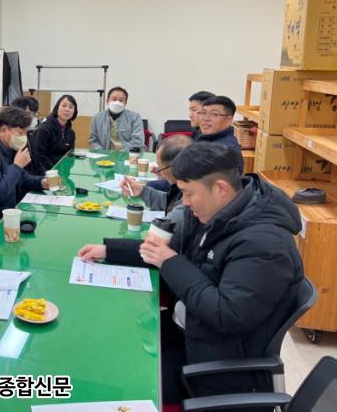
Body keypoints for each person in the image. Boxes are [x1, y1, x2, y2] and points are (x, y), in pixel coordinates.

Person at [79, 143, 304, 401]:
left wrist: (171, 262)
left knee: (115, 382)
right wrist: (109, 250)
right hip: (189, 333)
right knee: (110, 341)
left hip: (214, 370)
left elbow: (227, 314)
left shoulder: (264, 244)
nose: (184, 203)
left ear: (220, 188)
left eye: (188, 193)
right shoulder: (218, 213)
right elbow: (167, 249)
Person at [0, 106, 48, 229]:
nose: (24, 137)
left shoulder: (9, 146)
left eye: (26, 132)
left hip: (9, 214)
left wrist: (41, 182)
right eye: (20, 133)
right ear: (3, 130)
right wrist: (17, 166)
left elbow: (21, 177)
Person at [121, 135, 192, 227]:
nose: (158, 171)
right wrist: (141, 191)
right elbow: (168, 201)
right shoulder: (183, 187)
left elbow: (166, 227)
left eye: (160, 166)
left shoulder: (188, 203)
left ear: (175, 167)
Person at [31, 94, 78, 174]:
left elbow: (70, 155)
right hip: (45, 175)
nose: (67, 109)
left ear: (74, 112)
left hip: (63, 174)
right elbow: (39, 157)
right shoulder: (44, 129)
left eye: (71, 107)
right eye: (64, 106)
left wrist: (65, 174)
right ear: (57, 108)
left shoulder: (71, 133)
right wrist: (52, 174)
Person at [196, 95, 243, 173]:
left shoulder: (224, 151)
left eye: (214, 114)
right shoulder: (207, 138)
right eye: (203, 113)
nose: (206, 119)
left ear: (229, 120)